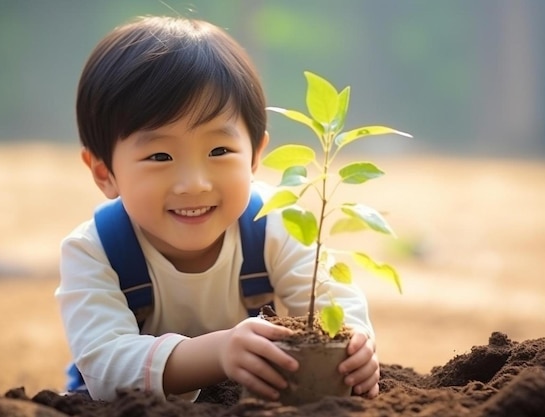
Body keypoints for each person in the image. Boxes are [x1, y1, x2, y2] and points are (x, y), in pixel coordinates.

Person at [56, 15, 379, 403]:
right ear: (104, 171)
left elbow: (335, 303)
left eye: (219, 151)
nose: (195, 183)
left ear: (256, 155)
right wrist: (219, 352)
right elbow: (105, 365)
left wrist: (354, 346)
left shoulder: (275, 225)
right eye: (160, 155)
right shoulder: (95, 251)